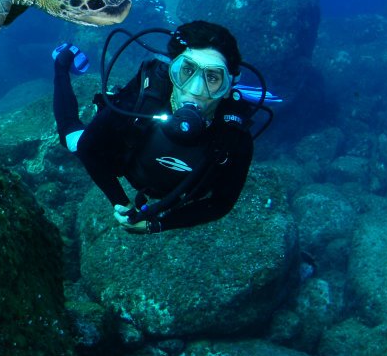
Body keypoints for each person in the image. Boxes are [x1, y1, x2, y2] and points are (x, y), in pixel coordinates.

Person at [53, 21, 254, 233]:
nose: (195, 90)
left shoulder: (234, 136)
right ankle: (62, 62)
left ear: (227, 87)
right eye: (186, 70)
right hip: (126, 163)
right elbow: (87, 149)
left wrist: (156, 225)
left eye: (212, 78)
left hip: (164, 186)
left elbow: (221, 203)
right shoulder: (145, 99)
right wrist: (122, 204)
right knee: (70, 136)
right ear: (171, 69)